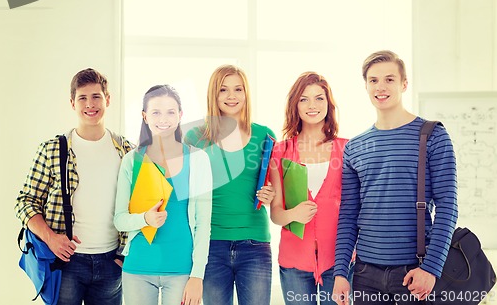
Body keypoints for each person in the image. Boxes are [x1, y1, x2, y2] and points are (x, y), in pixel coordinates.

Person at [332, 50, 458, 305]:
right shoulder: (355, 146)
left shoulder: (433, 135)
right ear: (366, 86)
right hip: (365, 274)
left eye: (389, 79)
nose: (381, 87)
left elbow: (448, 206)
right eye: (373, 80)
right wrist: (340, 273)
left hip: (414, 272)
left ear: (404, 84)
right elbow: (348, 215)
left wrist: (431, 269)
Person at [15, 68, 134, 305]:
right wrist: (51, 238)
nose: (90, 104)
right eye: (82, 98)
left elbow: (138, 207)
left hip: (112, 263)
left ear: (107, 99)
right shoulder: (52, 149)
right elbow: (25, 202)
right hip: (66, 263)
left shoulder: (128, 152)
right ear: (72, 103)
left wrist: (123, 257)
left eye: (96, 96)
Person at [184, 64, 276, 305]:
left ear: (246, 93)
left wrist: (270, 194)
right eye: (223, 90)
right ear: (213, 95)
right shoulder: (195, 137)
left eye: (238, 89)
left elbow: (277, 191)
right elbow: (183, 192)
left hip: (254, 243)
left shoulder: (264, 136)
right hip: (210, 245)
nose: (232, 96)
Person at [114, 85, 212, 305]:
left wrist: (197, 275)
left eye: (170, 112)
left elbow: (203, 224)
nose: (163, 119)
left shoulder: (198, 160)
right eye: (156, 112)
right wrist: (144, 219)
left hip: (182, 271)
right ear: (144, 116)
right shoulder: (132, 160)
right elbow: (119, 219)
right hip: (138, 268)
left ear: (180, 115)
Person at [269, 72, 350, 305]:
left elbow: (356, 209)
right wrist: (293, 214)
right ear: (295, 105)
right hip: (294, 262)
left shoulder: (347, 149)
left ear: (329, 103)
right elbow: (275, 213)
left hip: (339, 262)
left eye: (319, 98)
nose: (312, 105)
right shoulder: (281, 151)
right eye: (304, 99)